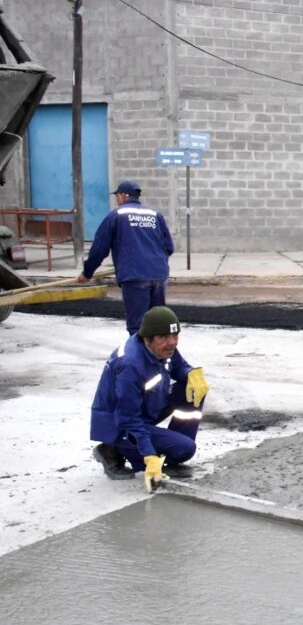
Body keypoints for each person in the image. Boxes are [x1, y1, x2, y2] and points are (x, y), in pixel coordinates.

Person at [90, 306, 209, 492]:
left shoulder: (162, 347)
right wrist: (149, 454)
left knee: (193, 389)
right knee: (185, 449)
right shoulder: (130, 365)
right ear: (147, 338)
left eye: (175, 336)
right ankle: (113, 450)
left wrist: (190, 373)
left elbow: (179, 366)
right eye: (164, 337)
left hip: (147, 406)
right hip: (119, 423)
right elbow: (127, 418)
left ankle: (172, 450)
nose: (172, 342)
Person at [77, 180, 175, 335]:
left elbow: (99, 249)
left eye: (117, 196)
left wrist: (87, 272)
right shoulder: (155, 215)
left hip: (134, 276)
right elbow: (169, 247)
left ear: (123, 196)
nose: (116, 200)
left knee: (137, 326)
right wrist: (154, 262)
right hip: (159, 275)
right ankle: (158, 357)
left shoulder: (116, 215)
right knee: (158, 323)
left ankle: (139, 358)